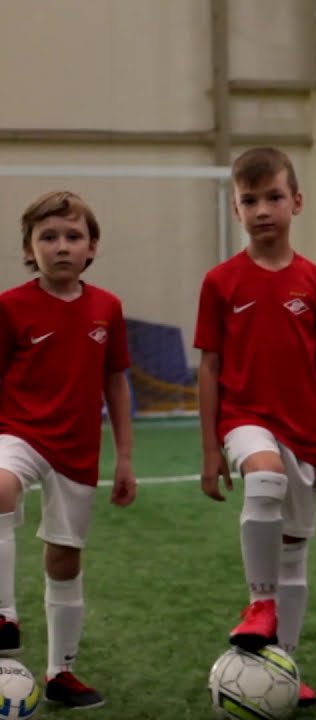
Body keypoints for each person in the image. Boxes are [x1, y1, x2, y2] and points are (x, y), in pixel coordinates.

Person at [196, 148, 316, 707]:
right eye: (250, 200)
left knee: (294, 552)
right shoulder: (220, 282)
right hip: (245, 418)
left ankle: (284, 664)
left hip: (305, 432)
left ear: (297, 202)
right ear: (236, 210)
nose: (263, 209)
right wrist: (210, 449)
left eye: (274, 197)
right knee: (263, 476)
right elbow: (209, 366)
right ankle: (260, 602)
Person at [0, 191, 136, 708]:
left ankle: (61, 673)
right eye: (48, 237)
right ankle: (4, 615)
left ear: (92, 247)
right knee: (0, 487)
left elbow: (115, 383)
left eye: (73, 236)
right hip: (18, 432)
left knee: (64, 557)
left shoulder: (107, 307)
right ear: (29, 249)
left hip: (77, 449)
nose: (61, 246)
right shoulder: (9, 307)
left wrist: (124, 457)